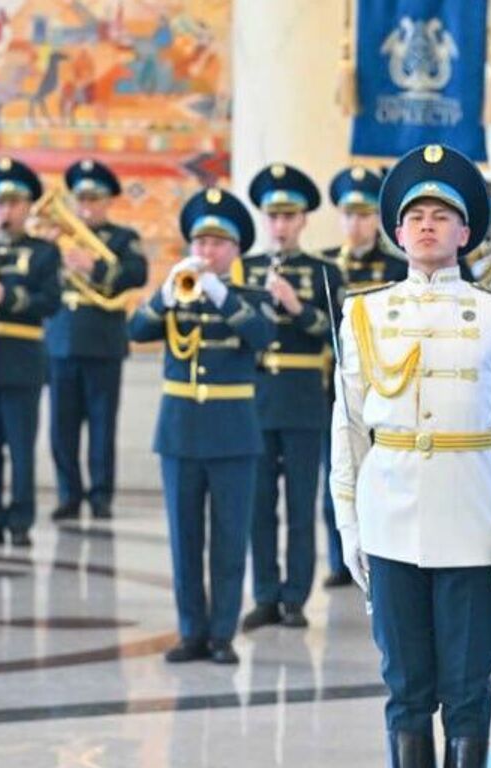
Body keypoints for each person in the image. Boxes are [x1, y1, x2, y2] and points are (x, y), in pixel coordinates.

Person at [328, 144, 491, 768]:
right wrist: (349, 524)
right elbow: (348, 430)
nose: (426, 224)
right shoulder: (363, 314)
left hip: (470, 522)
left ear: (466, 233)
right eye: (415, 214)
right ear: (397, 230)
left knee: (468, 689)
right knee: (405, 688)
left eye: (441, 215)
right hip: (391, 521)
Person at [127, 187, 275, 664]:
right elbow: (136, 330)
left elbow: (262, 335)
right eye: (200, 242)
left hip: (233, 434)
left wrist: (221, 295)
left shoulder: (251, 298)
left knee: (229, 540)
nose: (206, 251)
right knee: (184, 539)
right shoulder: (176, 295)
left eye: (216, 243)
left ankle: (222, 634)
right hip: (180, 432)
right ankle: (191, 631)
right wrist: (163, 297)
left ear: (235, 250)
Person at [241, 163, 341, 631]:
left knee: (301, 507)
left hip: (303, 401)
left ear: (303, 220)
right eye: (273, 216)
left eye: (288, 217)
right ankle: (264, 595)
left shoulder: (324, 272)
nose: (280, 226)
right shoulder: (245, 269)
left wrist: (298, 308)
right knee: (259, 507)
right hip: (256, 401)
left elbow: (338, 335)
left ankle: (296, 597)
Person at [46, 158, 149, 522]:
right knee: (62, 428)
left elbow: (137, 273)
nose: (86, 207)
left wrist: (94, 266)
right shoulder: (57, 240)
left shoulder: (123, 239)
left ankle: (101, 495)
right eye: (81, 200)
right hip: (61, 341)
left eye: (94, 200)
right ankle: (68, 494)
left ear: (108, 202)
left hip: (103, 343)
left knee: (102, 427)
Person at [319, 165, 406, 589]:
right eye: (349, 215)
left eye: (365, 214)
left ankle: (384, 548)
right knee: (337, 469)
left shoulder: (396, 266)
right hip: (332, 385)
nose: (356, 224)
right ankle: (341, 557)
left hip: (390, 385)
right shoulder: (323, 266)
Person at [0, 158, 62, 548]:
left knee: (21, 448)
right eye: (0, 204)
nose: (5, 211)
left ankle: (21, 520)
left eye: (13, 203)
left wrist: (7, 295)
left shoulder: (44, 253)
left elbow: (51, 302)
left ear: (27, 207)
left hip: (22, 360)